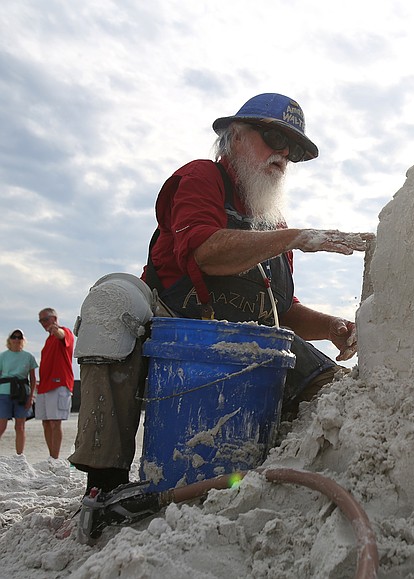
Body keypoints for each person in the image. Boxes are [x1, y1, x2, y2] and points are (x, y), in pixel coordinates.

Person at [70, 92, 372, 494]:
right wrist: (295, 238)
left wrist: (334, 327)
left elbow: (280, 309)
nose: (283, 155)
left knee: (340, 397)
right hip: (177, 333)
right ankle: (104, 484)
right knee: (112, 301)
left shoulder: (272, 224)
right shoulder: (202, 179)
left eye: (292, 149)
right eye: (272, 138)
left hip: (251, 345)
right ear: (234, 138)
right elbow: (204, 251)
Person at [36, 308, 75, 459]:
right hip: (44, 386)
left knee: (55, 422)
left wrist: (56, 329)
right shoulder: (48, 340)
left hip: (59, 384)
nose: (43, 323)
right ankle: (51, 456)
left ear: (54, 318)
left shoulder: (64, 332)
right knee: (45, 422)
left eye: (45, 320)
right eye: (41, 321)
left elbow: (62, 335)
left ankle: (55, 457)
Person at [0, 330, 38, 455]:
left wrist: (31, 397)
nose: (16, 340)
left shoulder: (29, 357)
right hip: (4, 393)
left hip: (22, 393)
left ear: (22, 340)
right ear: (9, 340)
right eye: (14, 337)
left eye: (19, 337)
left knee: (20, 426)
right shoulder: (3, 356)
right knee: (2, 426)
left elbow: (32, 379)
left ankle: (19, 455)